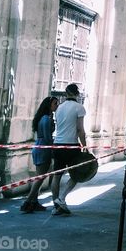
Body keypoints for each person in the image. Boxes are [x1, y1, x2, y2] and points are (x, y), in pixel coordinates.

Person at [50, 83, 86, 216]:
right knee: (77, 174)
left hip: (58, 145)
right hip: (71, 146)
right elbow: (80, 130)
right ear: (77, 94)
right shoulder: (79, 108)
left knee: (56, 176)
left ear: (66, 93)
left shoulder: (59, 108)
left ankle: (56, 206)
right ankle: (62, 199)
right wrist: (84, 145)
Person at [21, 96, 58, 213]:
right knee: (40, 178)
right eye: (55, 104)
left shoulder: (42, 118)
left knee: (39, 176)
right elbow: (48, 138)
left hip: (38, 146)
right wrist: (54, 148)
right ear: (49, 105)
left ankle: (34, 202)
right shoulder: (47, 119)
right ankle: (27, 202)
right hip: (43, 149)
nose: (56, 106)